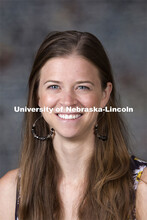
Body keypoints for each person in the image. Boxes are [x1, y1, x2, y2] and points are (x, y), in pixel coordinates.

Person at [0, 31, 147, 220]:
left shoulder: (142, 187)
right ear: (37, 95)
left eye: (82, 87)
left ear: (104, 94)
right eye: (54, 86)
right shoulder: (9, 193)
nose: (68, 101)